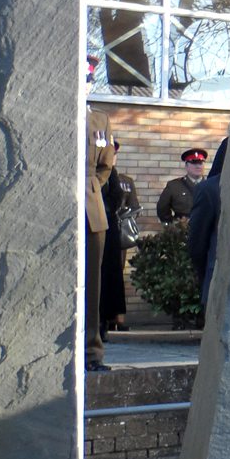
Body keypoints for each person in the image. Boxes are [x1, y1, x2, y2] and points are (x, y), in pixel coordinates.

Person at [84, 96, 117, 372]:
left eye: (89, 79)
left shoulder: (100, 119)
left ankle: (91, 353)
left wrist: (91, 188)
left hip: (90, 205)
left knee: (92, 282)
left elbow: (106, 164)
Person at [99, 141, 141, 338]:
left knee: (114, 275)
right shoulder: (93, 174)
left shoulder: (120, 179)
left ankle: (112, 319)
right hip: (96, 230)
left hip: (114, 231)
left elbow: (133, 206)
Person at [187, 138, 227, 306]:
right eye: (194, 162)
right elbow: (197, 243)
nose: (198, 165)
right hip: (220, 283)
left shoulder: (209, 188)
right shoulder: (211, 189)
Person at [158, 148, 208, 223]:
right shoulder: (174, 186)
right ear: (186, 166)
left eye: (200, 163)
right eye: (194, 163)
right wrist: (174, 226)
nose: (198, 166)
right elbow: (162, 209)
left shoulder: (211, 185)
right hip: (184, 229)